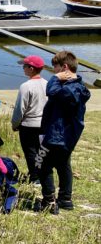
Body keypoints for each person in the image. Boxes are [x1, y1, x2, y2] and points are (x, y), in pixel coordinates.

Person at [35, 51, 90, 214]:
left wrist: (56, 78)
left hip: (56, 135)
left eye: (55, 68)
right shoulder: (78, 88)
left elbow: (51, 91)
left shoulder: (70, 89)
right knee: (63, 164)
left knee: (41, 164)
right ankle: (65, 199)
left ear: (64, 67)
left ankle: (49, 200)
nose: (54, 72)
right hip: (67, 136)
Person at [11, 55, 47, 183]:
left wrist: (15, 124)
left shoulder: (26, 86)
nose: (23, 68)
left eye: (24, 66)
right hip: (44, 124)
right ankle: (41, 174)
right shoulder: (47, 84)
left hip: (29, 125)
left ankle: (35, 177)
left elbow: (19, 109)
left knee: (30, 152)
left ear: (31, 68)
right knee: (41, 151)